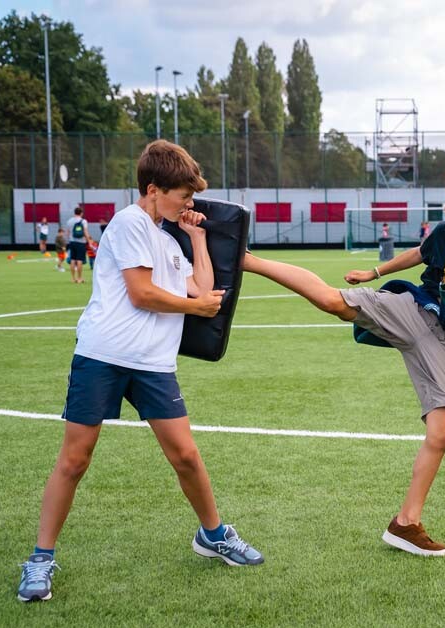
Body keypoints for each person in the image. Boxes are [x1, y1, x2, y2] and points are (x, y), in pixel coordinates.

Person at [242, 162, 445, 557]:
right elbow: (419, 254)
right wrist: (374, 272)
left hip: (444, 340)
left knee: (442, 432)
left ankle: (406, 524)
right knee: (331, 301)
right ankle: (247, 260)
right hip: (412, 309)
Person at [16, 140, 262, 604]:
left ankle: (213, 535)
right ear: (153, 190)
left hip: (153, 364)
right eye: (182, 197)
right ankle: (40, 558)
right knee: (75, 460)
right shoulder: (129, 222)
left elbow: (202, 288)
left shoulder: (168, 240)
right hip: (103, 356)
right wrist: (195, 306)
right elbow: (142, 293)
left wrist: (197, 238)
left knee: (186, 455)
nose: (188, 205)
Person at [66, 206, 93, 284]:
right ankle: (79, 278)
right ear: (81, 213)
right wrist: (89, 241)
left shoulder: (69, 221)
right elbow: (85, 232)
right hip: (81, 242)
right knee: (79, 260)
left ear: (74, 212)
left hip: (72, 242)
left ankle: (73, 278)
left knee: (72, 260)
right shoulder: (83, 221)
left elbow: (67, 233)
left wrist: (69, 240)